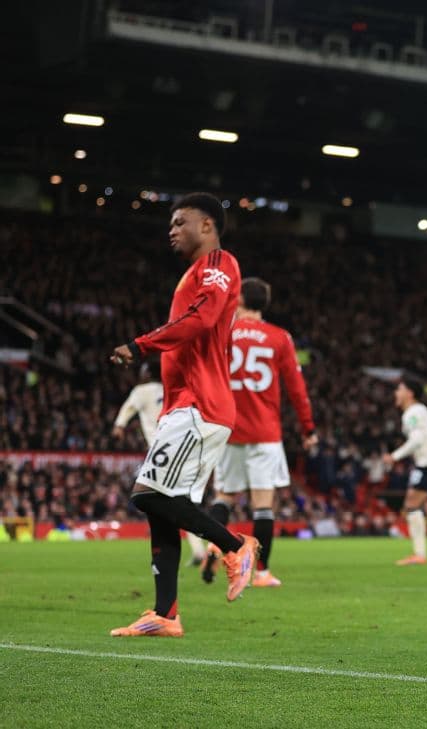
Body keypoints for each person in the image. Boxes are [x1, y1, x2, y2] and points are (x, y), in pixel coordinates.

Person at [107, 191, 259, 637]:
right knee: (162, 509)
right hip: (186, 404)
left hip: (200, 401)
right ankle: (165, 615)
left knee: (147, 494)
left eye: (180, 222)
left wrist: (141, 344)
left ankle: (235, 546)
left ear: (207, 225)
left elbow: (205, 317)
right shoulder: (194, 273)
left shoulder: (218, 264)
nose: (171, 230)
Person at [202, 277, 316, 588]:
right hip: (265, 432)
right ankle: (261, 572)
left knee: (223, 497)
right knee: (263, 505)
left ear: (238, 301)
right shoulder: (279, 338)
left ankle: (214, 545)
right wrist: (308, 428)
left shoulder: (223, 333)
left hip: (228, 428)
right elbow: (297, 389)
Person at [113, 362, 209, 565]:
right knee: (177, 500)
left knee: (149, 497)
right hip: (185, 448)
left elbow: (128, 408)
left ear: (147, 373)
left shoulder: (142, 390)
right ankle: (198, 550)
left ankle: (165, 551)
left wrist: (119, 426)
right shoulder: (173, 387)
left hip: (161, 453)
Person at [384, 375, 427, 566]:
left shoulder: (411, 413)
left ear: (409, 393)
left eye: (399, 389)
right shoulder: (423, 411)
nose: (396, 393)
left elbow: (416, 440)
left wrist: (394, 456)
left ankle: (419, 554)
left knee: (411, 506)